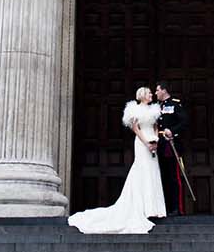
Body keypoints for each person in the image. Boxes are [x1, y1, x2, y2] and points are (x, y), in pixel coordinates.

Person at [68, 86, 165, 235]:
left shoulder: (154, 109)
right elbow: (136, 128)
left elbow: (155, 126)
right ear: (142, 95)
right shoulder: (134, 109)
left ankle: (154, 208)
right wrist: (146, 142)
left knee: (152, 171)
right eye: (149, 93)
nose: (151, 95)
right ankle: (142, 208)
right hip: (141, 142)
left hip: (153, 142)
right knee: (142, 169)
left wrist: (156, 140)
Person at [155, 81, 188, 215]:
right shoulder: (156, 106)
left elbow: (184, 122)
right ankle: (166, 207)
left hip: (172, 144)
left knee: (174, 177)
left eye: (157, 90)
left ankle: (177, 208)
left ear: (164, 90)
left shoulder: (175, 104)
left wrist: (173, 131)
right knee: (163, 177)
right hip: (160, 145)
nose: (156, 92)